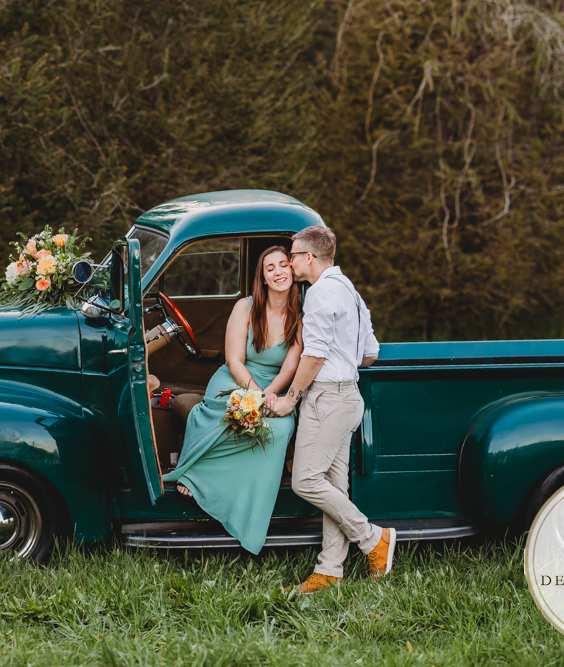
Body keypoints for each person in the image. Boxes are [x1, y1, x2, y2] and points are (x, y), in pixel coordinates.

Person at [271, 225, 396, 594]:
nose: (289, 262)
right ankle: (329, 570)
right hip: (347, 397)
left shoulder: (321, 293)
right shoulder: (349, 290)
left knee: (305, 480)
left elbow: (315, 354)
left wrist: (291, 398)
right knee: (332, 486)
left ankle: (373, 538)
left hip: (326, 399)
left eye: (292, 256)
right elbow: (370, 353)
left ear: (308, 257)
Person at [162, 246, 303, 554]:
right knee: (227, 413)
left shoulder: (301, 316)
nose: (279, 272)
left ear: (293, 271)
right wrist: (253, 392)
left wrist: (269, 395)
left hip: (274, 386)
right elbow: (234, 359)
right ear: (263, 277)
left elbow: (292, 366)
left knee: (279, 429)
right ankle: (197, 475)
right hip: (236, 378)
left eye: (284, 265)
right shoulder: (246, 307)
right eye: (270, 268)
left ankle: (240, 502)